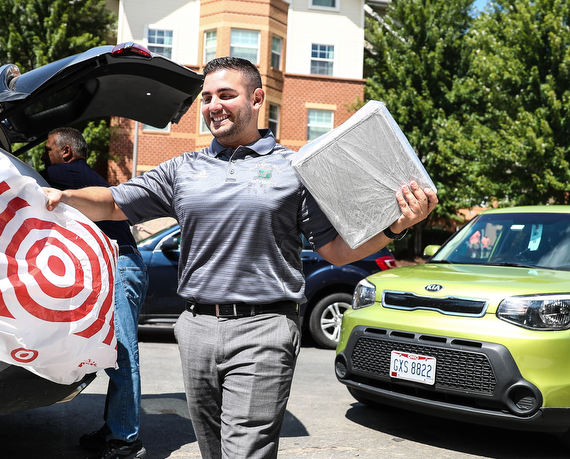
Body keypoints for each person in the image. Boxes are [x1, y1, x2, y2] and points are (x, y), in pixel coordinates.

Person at [43, 57, 438, 459]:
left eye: (227, 95)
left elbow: (335, 249)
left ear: (256, 98)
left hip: (263, 329)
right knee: (213, 451)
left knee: (245, 451)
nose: (214, 105)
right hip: (196, 327)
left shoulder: (292, 169)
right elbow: (113, 203)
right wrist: (62, 197)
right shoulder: (184, 168)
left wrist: (395, 227)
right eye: (208, 97)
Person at [41, 127, 149, 459]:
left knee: (122, 355)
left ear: (66, 152)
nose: (45, 157)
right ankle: (115, 427)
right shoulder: (91, 176)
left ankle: (125, 441)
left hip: (118, 267)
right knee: (110, 352)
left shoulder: (61, 174)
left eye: (47, 150)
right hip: (124, 265)